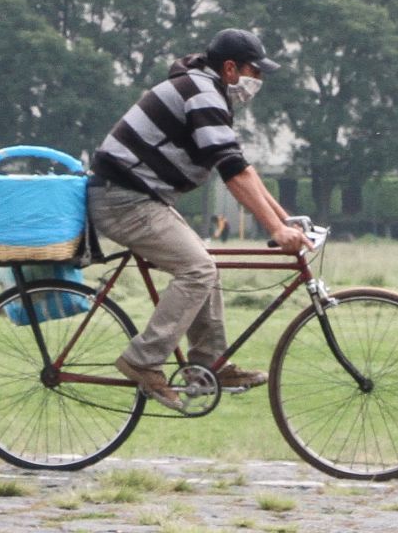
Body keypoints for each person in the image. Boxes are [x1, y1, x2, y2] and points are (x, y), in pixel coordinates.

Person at [88, 27, 306, 409]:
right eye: (255, 72)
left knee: (206, 265)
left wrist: (287, 221)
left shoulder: (207, 89)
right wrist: (274, 229)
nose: (258, 81)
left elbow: (245, 171)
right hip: (123, 198)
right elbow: (233, 172)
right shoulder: (203, 94)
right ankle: (143, 360)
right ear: (230, 68)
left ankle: (209, 364)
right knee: (199, 269)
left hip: (139, 196)